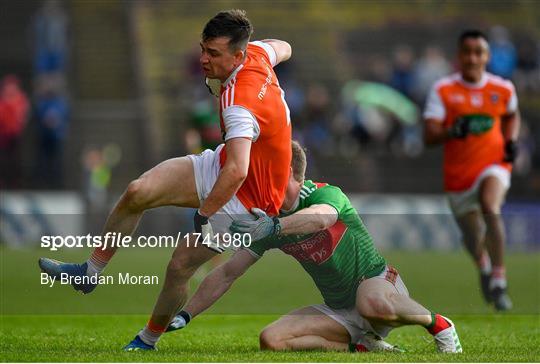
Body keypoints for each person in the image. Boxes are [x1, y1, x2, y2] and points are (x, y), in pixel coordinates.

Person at [38, 9, 293, 350]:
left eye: (213, 54)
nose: (203, 59)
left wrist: (204, 214)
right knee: (137, 191)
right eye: (203, 49)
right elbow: (284, 46)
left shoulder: (239, 103)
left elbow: (238, 171)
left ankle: (147, 340)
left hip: (250, 201)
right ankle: (91, 271)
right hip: (224, 165)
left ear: (238, 55)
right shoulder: (258, 54)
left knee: (179, 265)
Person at [166, 141, 462, 354]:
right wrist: (186, 314)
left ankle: (440, 325)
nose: (265, 186)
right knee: (271, 339)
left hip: (378, 286)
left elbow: (320, 220)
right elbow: (228, 272)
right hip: (339, 310)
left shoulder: (326, 195)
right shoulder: (269, 220)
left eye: (272, 178)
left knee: (370, 304)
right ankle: (362, 346)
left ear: (295, 175)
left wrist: (275, 227)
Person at [423, 30, 520, 311]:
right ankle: (484, 266)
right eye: (468, 52)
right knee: (471, 236)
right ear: (459, 56)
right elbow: (429, 136)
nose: (473, 58)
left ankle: (500, 279)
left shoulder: (503, 88)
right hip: (458, 176)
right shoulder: (443, 90)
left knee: (491, 206)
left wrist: (511, 140)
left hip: (494, 165)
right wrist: (451, 130)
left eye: (479, 52)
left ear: (487, 57)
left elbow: (512, 115)